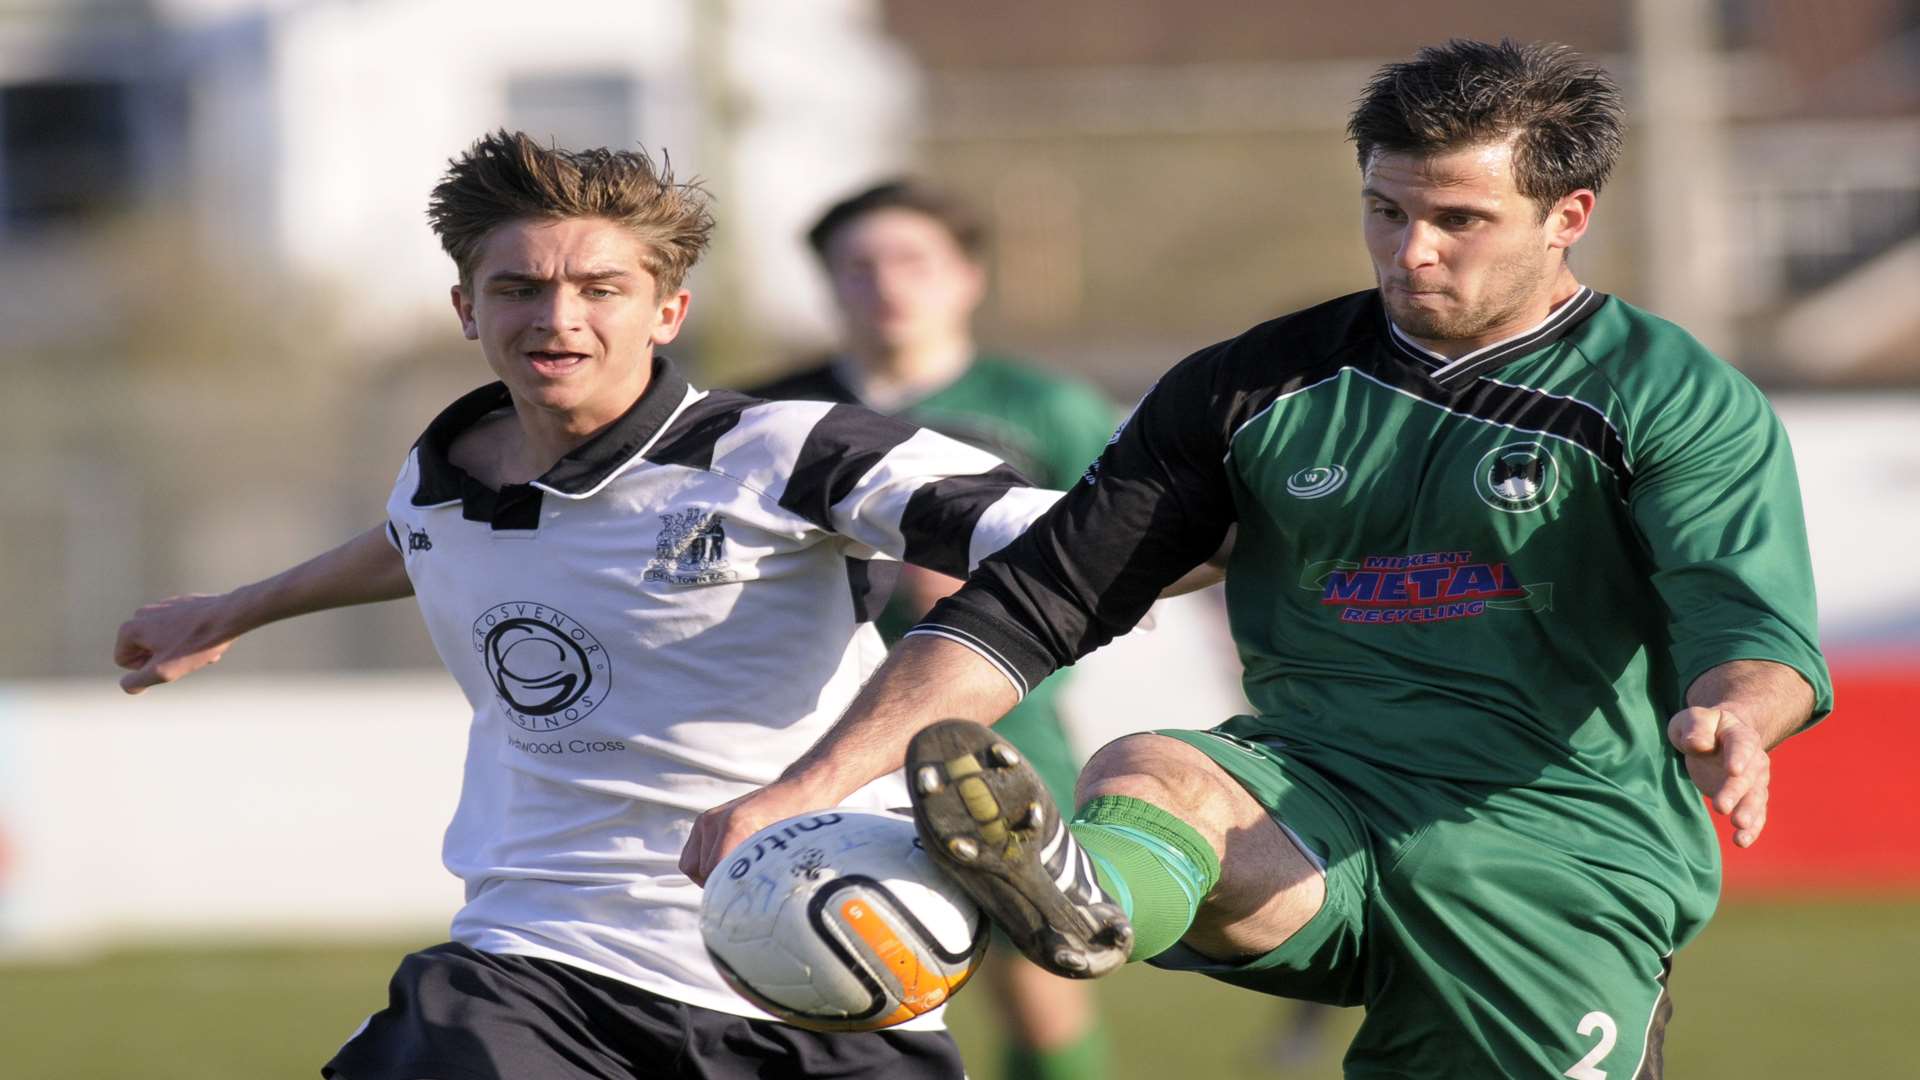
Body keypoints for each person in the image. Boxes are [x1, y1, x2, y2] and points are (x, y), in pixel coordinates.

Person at [684, 40, 1834, 1078]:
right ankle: (1091, 897)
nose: (1411, 250)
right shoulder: (1249, 386)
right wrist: (801, 793)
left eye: (1459, 221)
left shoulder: (1665, 396)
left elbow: (1747, 619)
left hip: (1553, 846)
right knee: (1152, 771)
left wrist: (1738, 712)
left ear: (1567, 214)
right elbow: (1031, 604)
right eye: (1385, 210)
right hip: (1313, 802)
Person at [112, 130, 1075, 1079]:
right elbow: (416, 543)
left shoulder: (786, 452)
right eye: (519, 288)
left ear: (668, 311)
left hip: (823, 958)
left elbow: (1083, 541)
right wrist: (233, 608)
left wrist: (1213, 523)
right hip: (539, 961)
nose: (556, 318)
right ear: (466, 306)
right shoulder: (442, 478)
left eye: (600, 289)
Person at [750, 179, 1117, 1080]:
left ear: (967, 278)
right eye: (858, 267)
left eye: (912, 261)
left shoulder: (1047, 408)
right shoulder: (768, 416)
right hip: (809, 723)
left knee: (1043, 970)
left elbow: (1122, 564)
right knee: (813, 966)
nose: (886, 286)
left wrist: (989, 576)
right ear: (828, 284)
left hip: (994, 723)